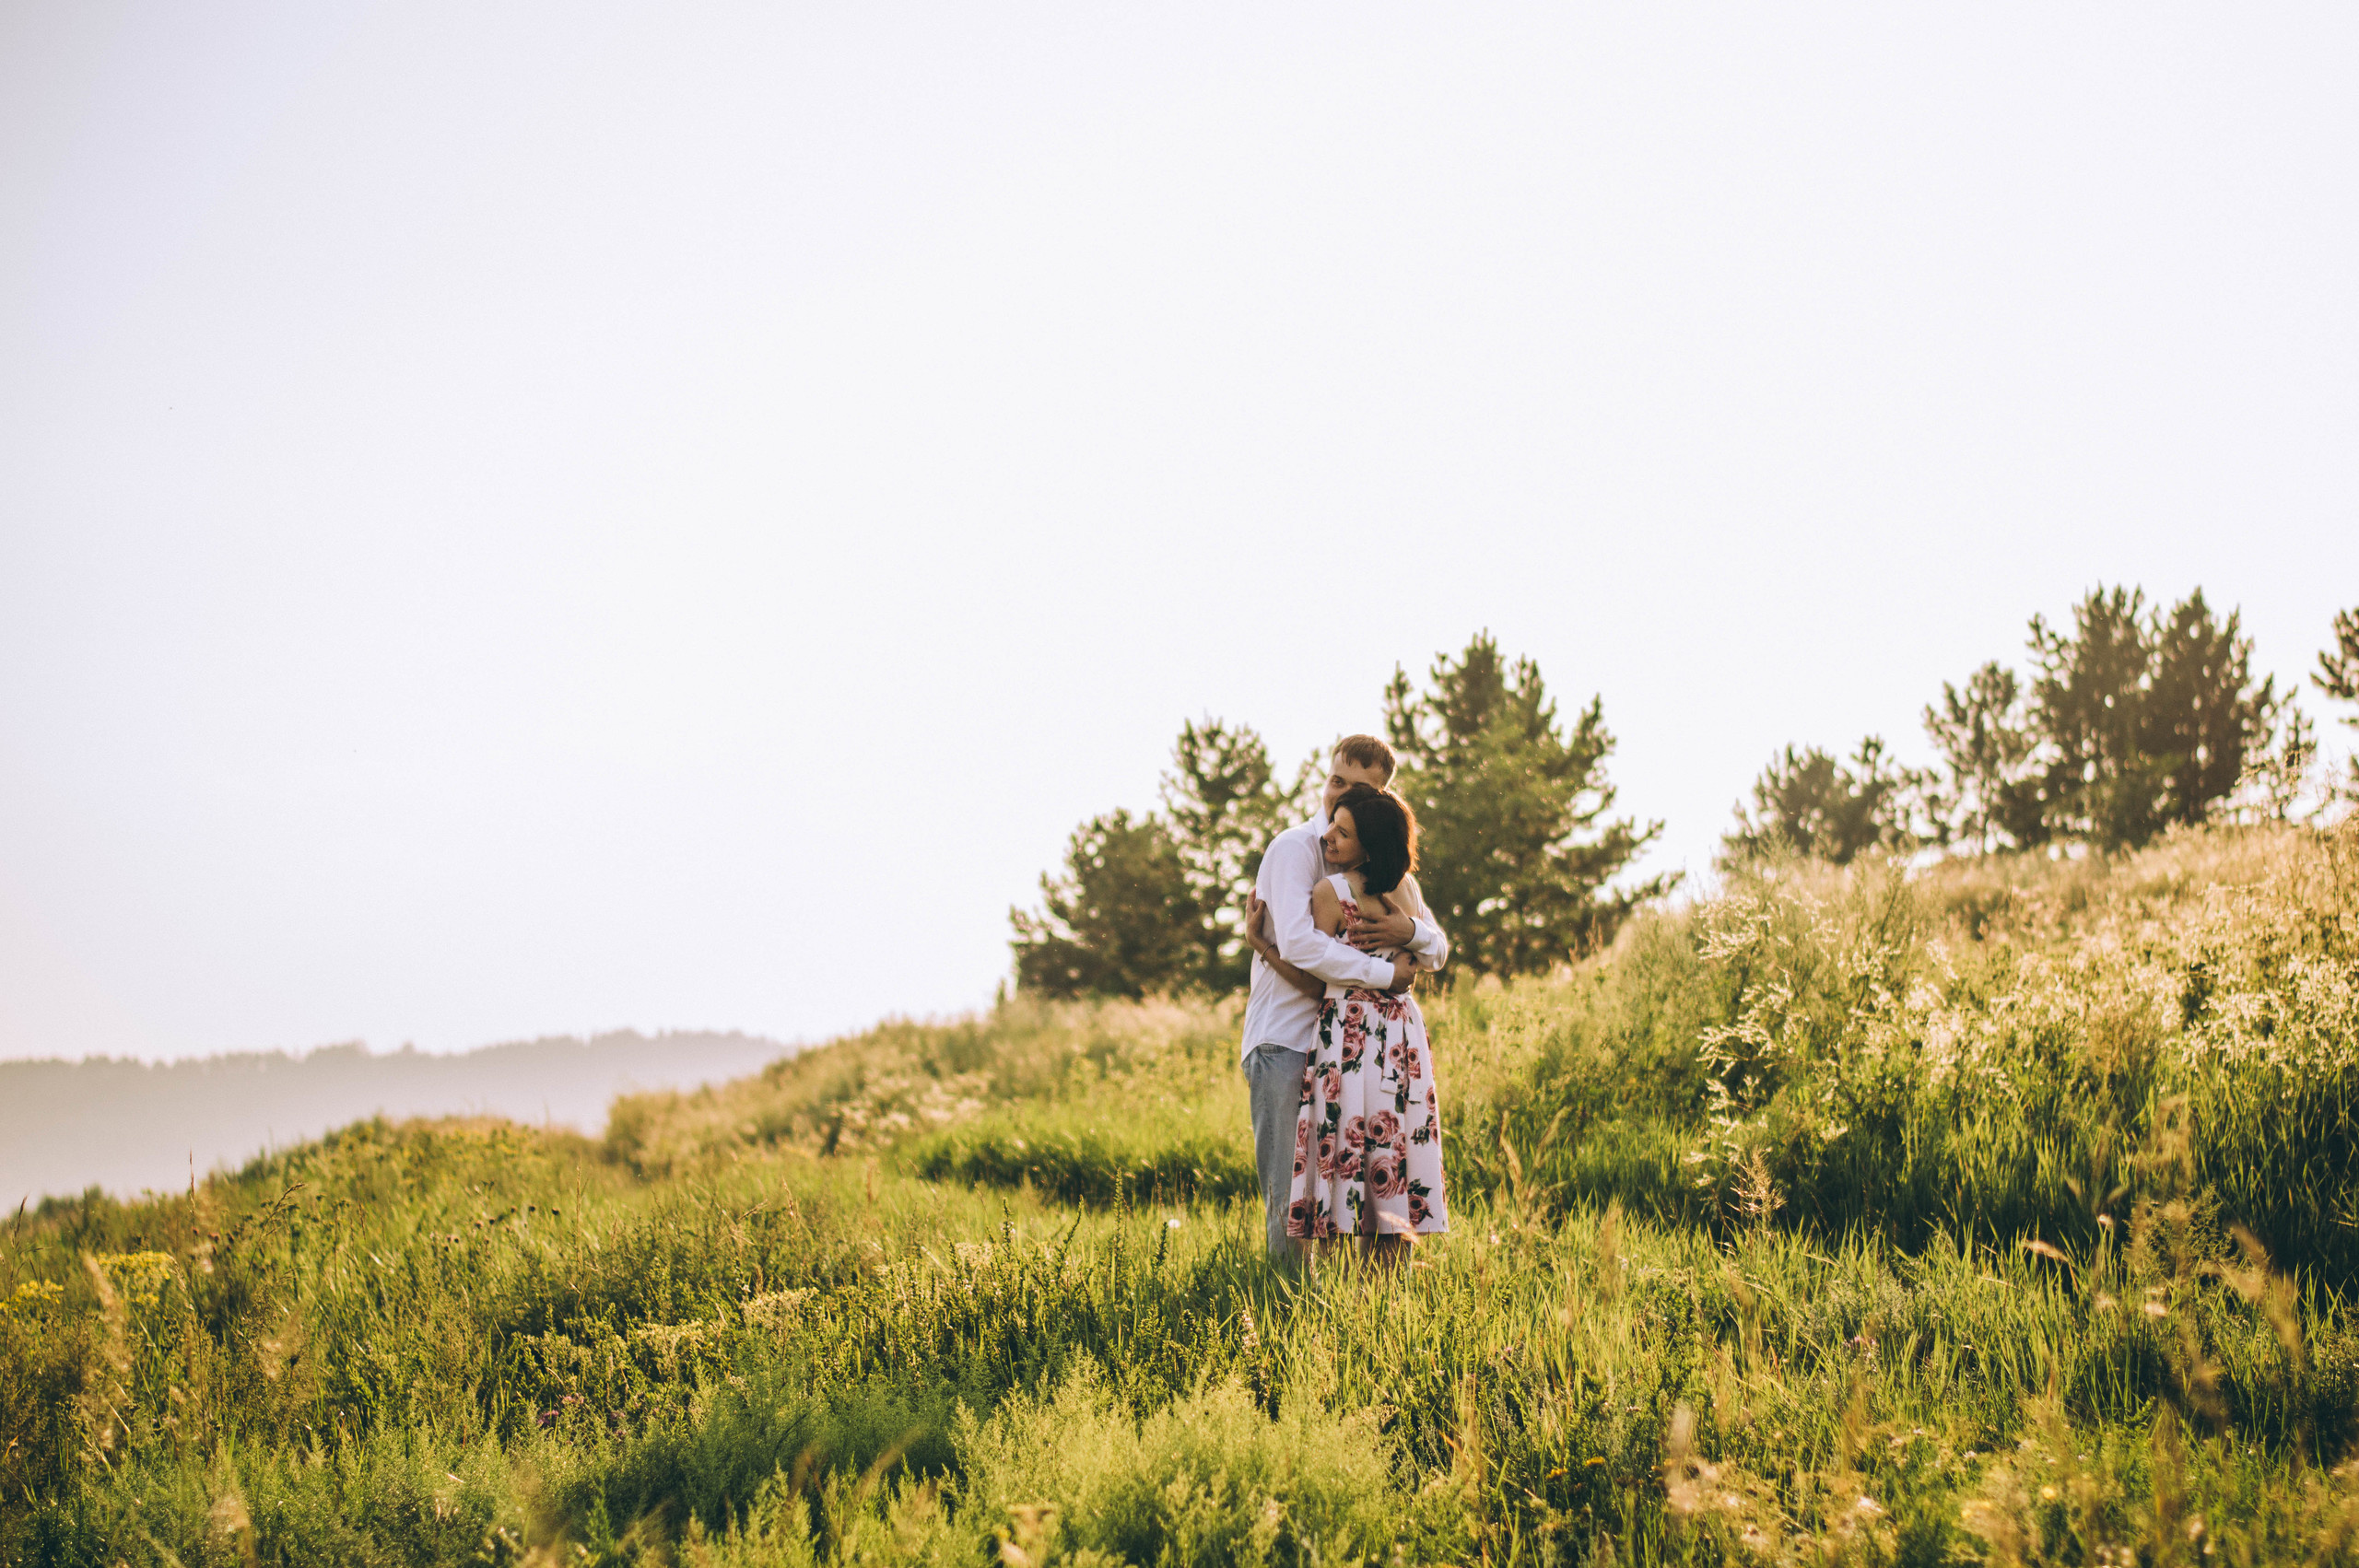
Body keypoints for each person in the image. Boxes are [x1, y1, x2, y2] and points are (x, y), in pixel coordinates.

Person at [1236, 735, 1449, 1258]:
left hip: (1350, 1053)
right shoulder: (1295, 848)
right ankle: (1285, 1317)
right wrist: (1384, 975)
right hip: (1286, 1040)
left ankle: (1340, 1321)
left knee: (1350, 1190)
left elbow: (1434, 943)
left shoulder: (1384, 875)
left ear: (1381, 801)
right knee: (1294, 1204)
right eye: (1335, 782)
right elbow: (1302, 944)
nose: (1338, 797)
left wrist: (1408, 933)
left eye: (1357, 790)